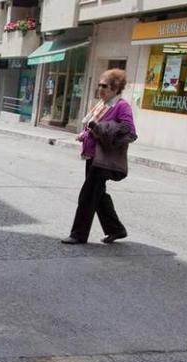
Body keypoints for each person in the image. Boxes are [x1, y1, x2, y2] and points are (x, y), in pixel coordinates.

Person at [62, 69, 137, 245]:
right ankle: (116, 229)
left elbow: (129, 130)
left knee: (87, 195)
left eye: (104, 86)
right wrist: (86, 133)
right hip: (93, 156)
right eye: (100, 85)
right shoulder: (102, 104)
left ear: (115, 87)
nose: (100, 89)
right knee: (98, 194)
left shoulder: (121, 106)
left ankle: (78, 235)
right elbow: (92, 125)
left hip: (103, 160)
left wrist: (102, 130)